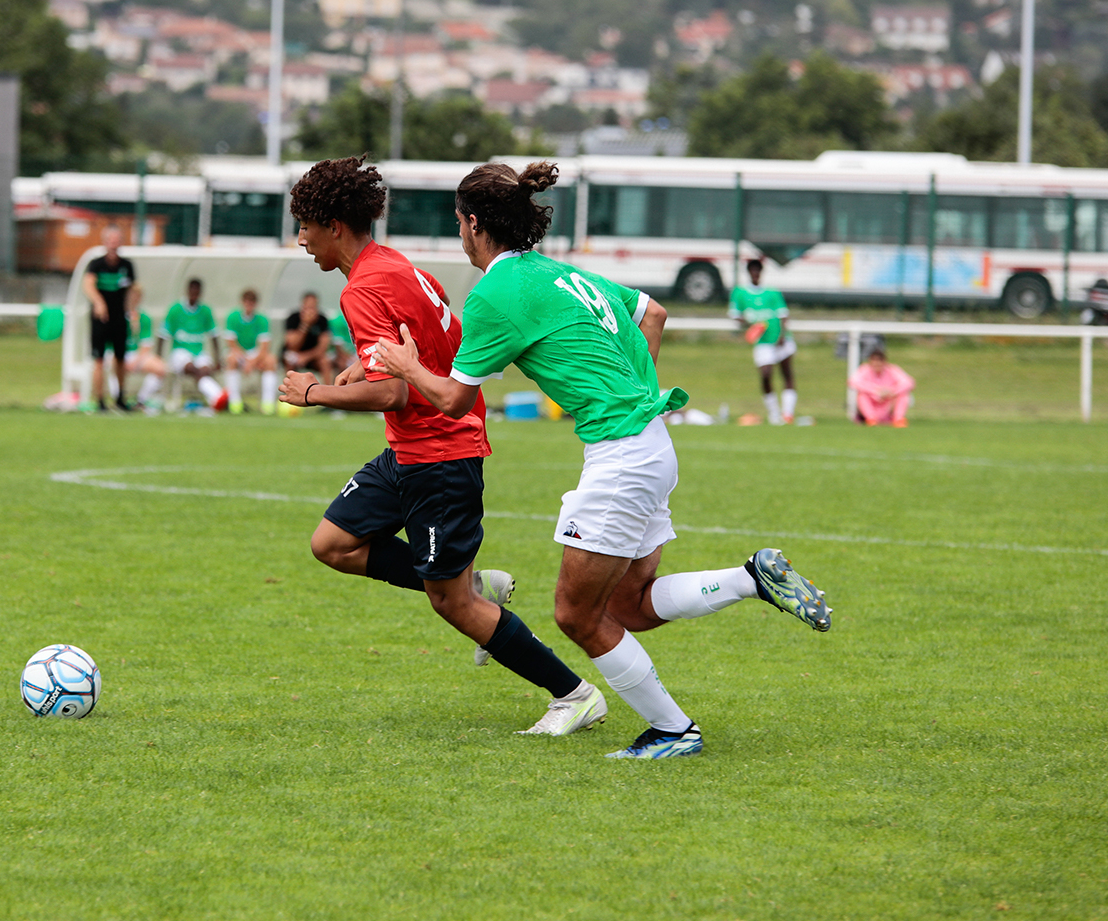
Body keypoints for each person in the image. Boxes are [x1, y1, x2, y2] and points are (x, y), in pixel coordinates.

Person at [375, 161, 832, 759]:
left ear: (475, 223)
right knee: (629, 607)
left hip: (621, 456)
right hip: (651, 442)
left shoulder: (495, 293)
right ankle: (753, 577)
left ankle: (673, 731)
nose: (459, 233)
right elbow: (653, 313)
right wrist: (633, 391)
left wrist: (407, 366)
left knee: (576, 614)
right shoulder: (556, 272)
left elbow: (454, 400)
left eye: (459, 222)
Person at [279, 156, 603, 737]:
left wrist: (315, 392)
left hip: (440, 456)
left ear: (334, 225)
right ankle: (475, 582)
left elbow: (395, 393)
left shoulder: (361, 290)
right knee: (332, 543)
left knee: (451, 603)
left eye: (305, 226)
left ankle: (573, 695)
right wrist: (364, 363)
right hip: (408, 451)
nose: (301, 239)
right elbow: (442, 336)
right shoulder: (397, 266)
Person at [729, 258, 797, 424]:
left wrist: (782, 335)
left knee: (787, 373)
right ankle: (774, 413)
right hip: (763, 342)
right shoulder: (740, 293)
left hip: (780, 339)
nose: (755, 273)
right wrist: (752, 327)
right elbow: (736, 315)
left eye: (758, 270)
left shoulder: (772, 292)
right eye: (752, 270)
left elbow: (783, 314)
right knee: (766, 374)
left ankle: (788, 413)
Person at [82, 227, 139, 413]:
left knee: (120, 358)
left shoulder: (127, 266)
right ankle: (100, 400)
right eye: (110, 241)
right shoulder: (96, 264)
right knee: (98, 359)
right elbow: (88, 285)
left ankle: (120, 398)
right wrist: (99, 303)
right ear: (105, 243)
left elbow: (132, 290)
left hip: (119, 319)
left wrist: (132, 311)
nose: (113, 245)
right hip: (101, 320)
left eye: (117, 241)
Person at [158, 278, 227, 411]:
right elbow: (162, 335)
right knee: (191, 366)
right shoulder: (175, 310)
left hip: (198, 352)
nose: (194, 295)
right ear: (187, 291)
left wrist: (218, 359)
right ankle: (218, 396)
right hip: (179, 351)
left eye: (197, 293)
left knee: (205, 368)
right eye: (192, 291)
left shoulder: (205, 311)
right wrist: (159, 358)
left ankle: (217, 399)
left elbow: (214, 336)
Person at [223, 289, 278, 415]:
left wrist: (252, 362)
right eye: (247, 302)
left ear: (255, 304)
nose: (249, 305)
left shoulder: (262, 320)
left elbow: (264, 346)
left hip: (255, 353)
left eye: (252, 302)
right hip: (240, 353)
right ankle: (235, 402)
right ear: (242, 302)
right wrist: (245, 360)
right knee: (231, 359)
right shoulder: (233, 317)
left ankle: (268, 404)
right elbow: (231, 343)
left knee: (271, 360)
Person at [850, 342, 915, 427]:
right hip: (872, 404)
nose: (877, 364)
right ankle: (871, 419)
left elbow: (909, 382)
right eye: (874, 360)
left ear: (884, 362)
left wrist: (891, 391)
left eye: (879, 361)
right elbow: (853, 382)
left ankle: (898, 419)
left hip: (888, 405)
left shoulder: (892, 369)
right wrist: (875, 391)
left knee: (903, 395)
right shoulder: (865, 369)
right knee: (862, 395)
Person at [282, 291, 333, 380]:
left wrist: (306, 357)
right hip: (296, 353)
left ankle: (329, 387)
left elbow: (323, 347)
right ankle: (289, 386)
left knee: (325, 362)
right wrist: (305, 325)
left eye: (312, 307)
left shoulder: (322, 320)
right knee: (289, 361)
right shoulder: (293, 318)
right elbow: (292, 345)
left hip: (313, 355)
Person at [125, 309, 168, 411]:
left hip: (136, 354)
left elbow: (146, 345)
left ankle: (141, 400)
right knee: (115, 366)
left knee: (160, 368)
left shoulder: (144, 318)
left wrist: (135, 362)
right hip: (117, 353)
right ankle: (118, 399)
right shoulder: (115, 316)